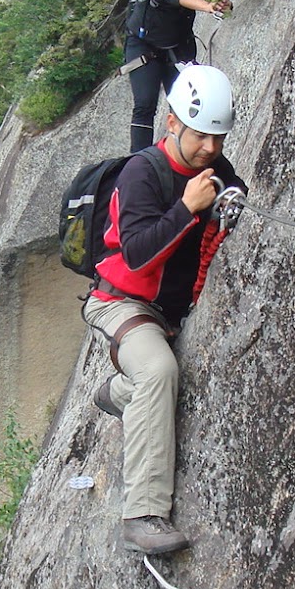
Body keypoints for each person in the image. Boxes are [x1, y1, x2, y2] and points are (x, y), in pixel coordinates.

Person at [83, 64, 246, 554]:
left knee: (152, 377)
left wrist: (229, 202)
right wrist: (188, 209)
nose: (210, 149)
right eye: (201, 136)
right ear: (173, 122)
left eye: (218, 137)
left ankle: (119, 392)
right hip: (121, 303)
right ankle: (143, 515)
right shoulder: (142, 173)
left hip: (169, 308)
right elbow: (135, 253)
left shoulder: (213, 169)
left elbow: (232, 195)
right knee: (158, 369)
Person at [122, 0, 232, 154]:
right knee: (145, 104)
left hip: (178, 46)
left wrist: (221, 1)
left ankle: (181, 156)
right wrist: (206, 6)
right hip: (144, 45)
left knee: (184, 107)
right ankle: (136, 164)